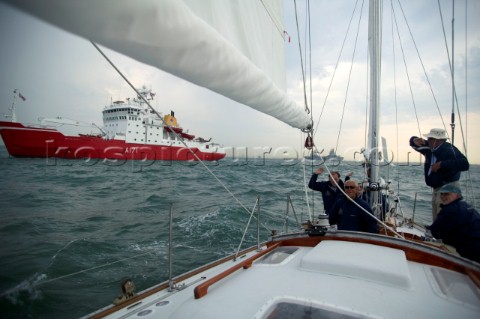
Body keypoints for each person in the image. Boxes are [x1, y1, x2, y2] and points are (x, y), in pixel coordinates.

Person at [410, 128, 469, 220]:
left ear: (437, 140)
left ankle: (442, 233)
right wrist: (414, 139)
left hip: (448, 188)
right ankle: (436, 232)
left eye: (430, 138)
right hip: (437, 188)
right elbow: (415, 145)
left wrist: (441, 164)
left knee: (445, 218)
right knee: (437, 216)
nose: (427, 140)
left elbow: (464, 164)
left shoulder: (449, 149)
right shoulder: (430, 148)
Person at [428, 183, 480, 263]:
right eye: (442, 194)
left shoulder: (449, 210)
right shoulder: (466, 206)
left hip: (472, 253)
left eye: (447, 194)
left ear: (457, 196)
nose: (443, 196)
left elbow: (435, 232)